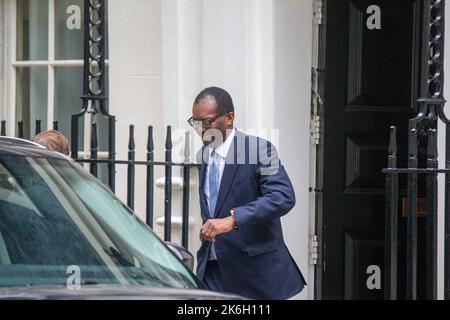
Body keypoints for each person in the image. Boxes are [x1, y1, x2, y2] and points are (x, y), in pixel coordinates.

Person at [188, 86, 306, 299]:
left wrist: (232, 220)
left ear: (230, 117)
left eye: (207, 122)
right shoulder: (202, 155)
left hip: (254, 273)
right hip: (213, 271)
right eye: (195, 122)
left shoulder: (260, 150)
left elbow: (282, 196)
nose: (200, 129)